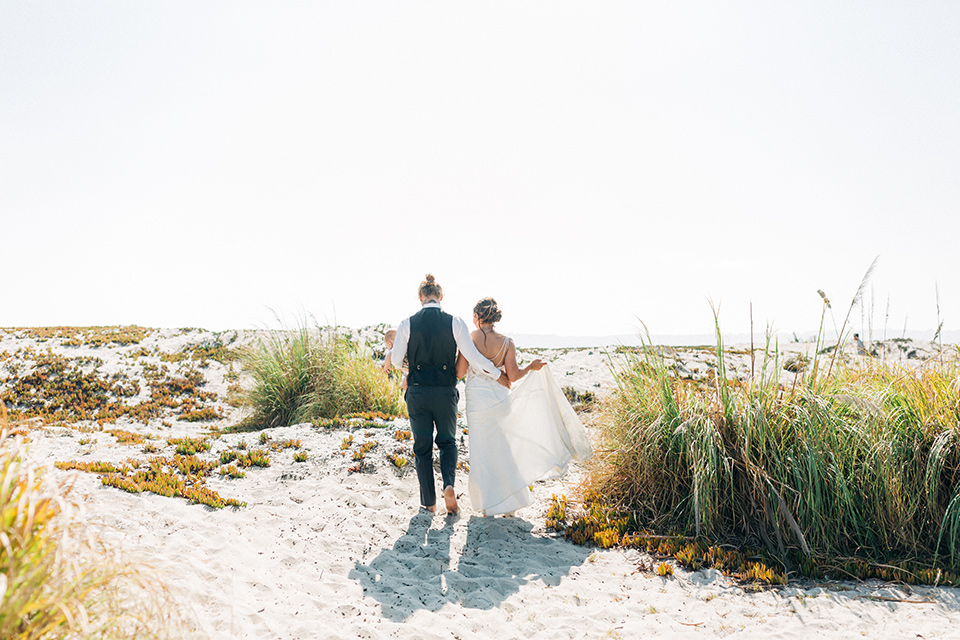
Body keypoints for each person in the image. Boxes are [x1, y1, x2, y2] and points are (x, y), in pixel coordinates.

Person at [455, 297, 592, 516]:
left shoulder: (469, 339)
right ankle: (509, 504)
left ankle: (487, 505)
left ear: (477, 316)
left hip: (477, 400)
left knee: (481, 451)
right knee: (504, 447)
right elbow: (514, 376)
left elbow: (460, 373)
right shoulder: (507, 342)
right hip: (500, 397)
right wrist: (531, 367)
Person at [389, 275, 510, 515]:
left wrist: (410, 369)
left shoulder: (407, 323)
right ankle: (449, 486)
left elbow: (394, 360)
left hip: (418, 392)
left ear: (421, 298)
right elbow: (473, 357)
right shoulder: (455, 322)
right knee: (447, 442)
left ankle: (429, 503)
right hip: (445, 392)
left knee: (422, 447)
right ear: (441, 297)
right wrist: (499, 376)